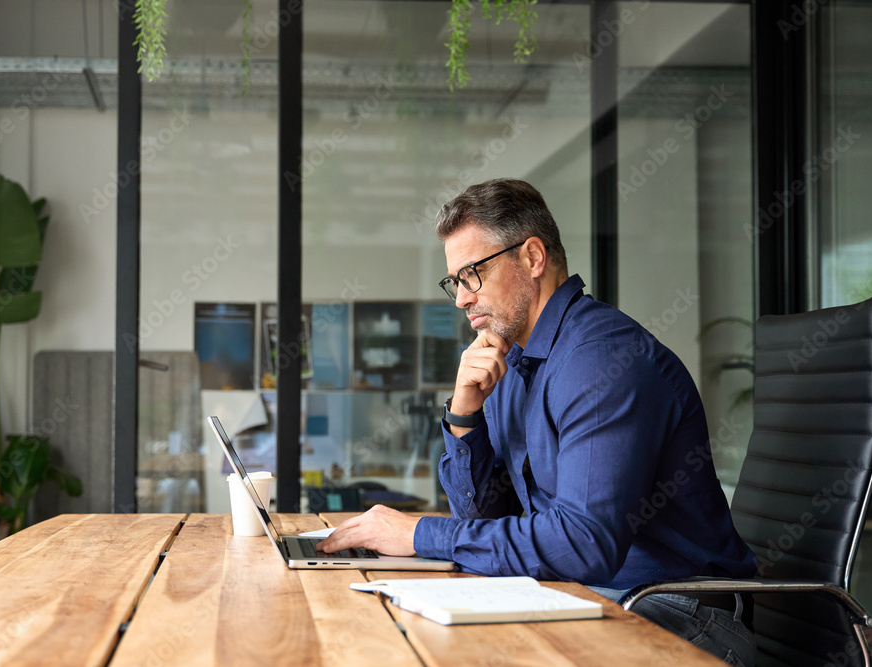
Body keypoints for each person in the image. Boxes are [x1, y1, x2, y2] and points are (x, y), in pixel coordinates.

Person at [318, 178, 758, 665]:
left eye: (472, 274)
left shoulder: (600, 360)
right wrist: (465, 415)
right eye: (455, 282)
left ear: (531, 257)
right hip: (587, 595)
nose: (462, 299)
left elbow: (584, 544)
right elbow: (482, 520)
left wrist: (418, 534)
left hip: (675, 613)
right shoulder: (512, 362)